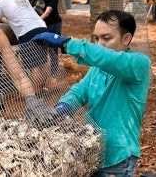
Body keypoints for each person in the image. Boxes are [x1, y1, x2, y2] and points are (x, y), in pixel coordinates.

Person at [31, 9, 151, 177]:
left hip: (118, 157)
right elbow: (80, 91)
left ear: (126, 38)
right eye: (96, 38)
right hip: (92, 149)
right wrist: (63, 107)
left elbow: (108, 58)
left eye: (106, 38)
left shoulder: (139, 64)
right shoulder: (98, 69)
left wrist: (66, 44)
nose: (99, 44)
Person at [0, 0, 49, 93]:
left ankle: (36, 95)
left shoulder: (1, 2)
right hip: (41, 27)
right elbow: (19, 17)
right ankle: (42, 89)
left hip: (27, 32)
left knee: (33, 66)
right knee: (42, 63)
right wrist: (6, 19)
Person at [32, 0, 62, 75]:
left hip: (54, 24)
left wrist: (38, 21)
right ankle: (42, 71)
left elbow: (48, 12)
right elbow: (35, 9)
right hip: (42, 25)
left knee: (53, 47)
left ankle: (54, 71)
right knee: (42, 47)